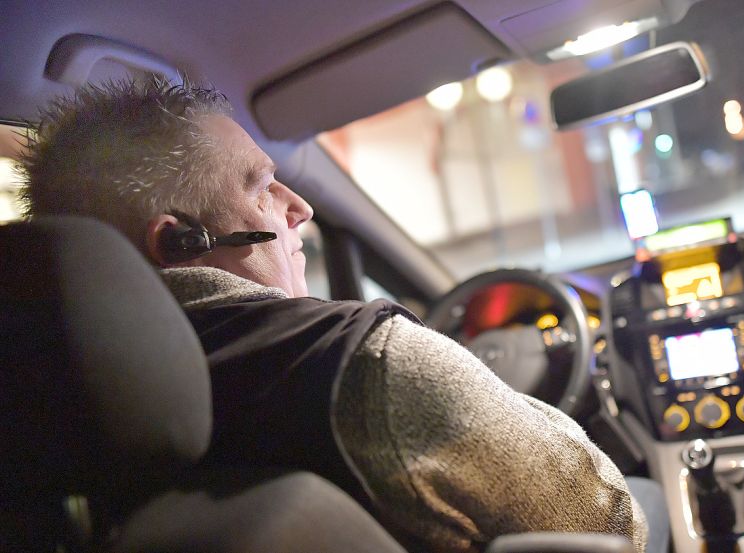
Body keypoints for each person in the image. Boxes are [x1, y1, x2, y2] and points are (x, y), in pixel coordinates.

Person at [19, 78, 668, 553]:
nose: (297, 206)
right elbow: (606, 523)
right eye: (261, 186)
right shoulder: (369, 363)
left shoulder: (42, 426)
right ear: (178, 242)